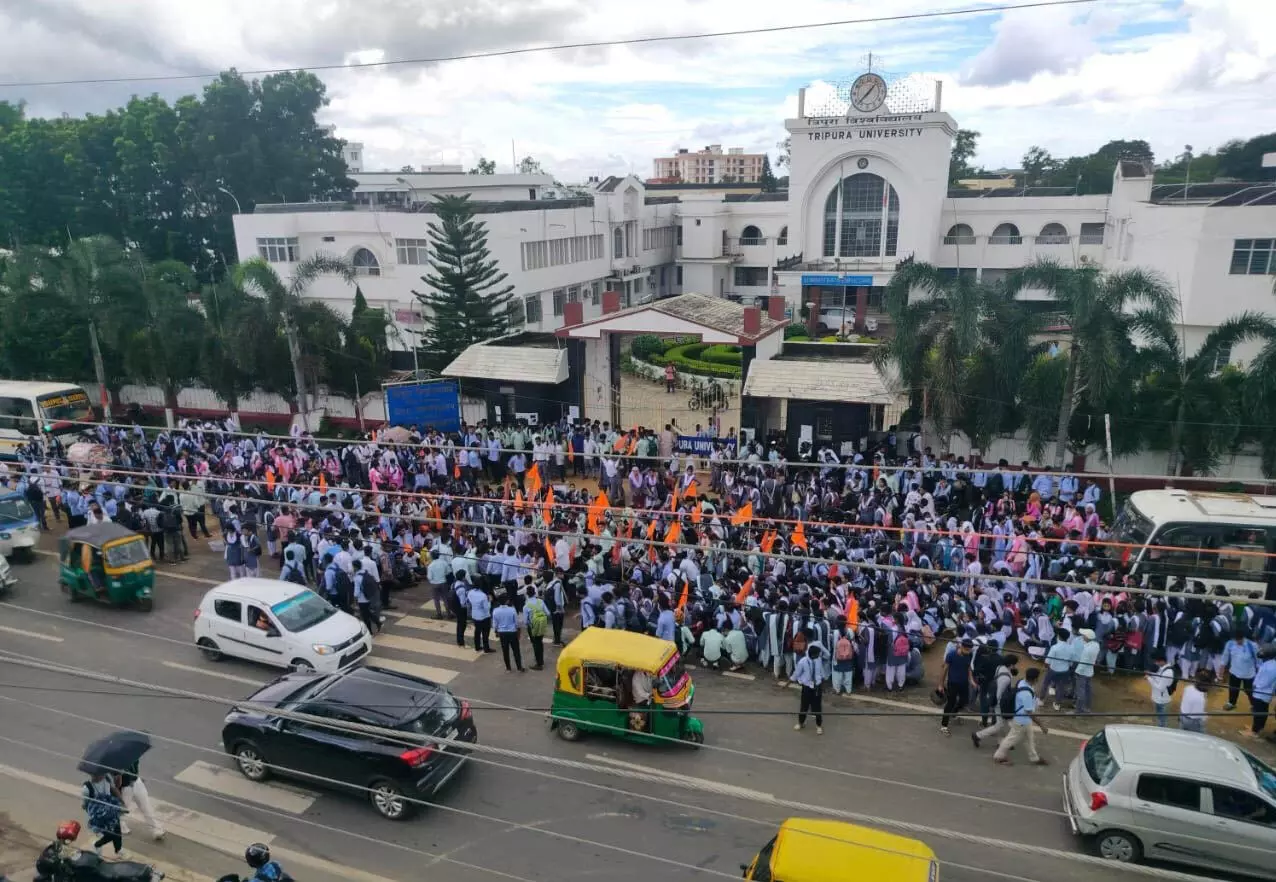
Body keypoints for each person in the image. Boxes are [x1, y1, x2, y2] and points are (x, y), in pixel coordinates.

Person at [992, 667, 1049, 766]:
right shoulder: (1026, 694)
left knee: (1029, 739)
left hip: (1024, 720)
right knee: (1011, 739)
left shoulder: (1022, 682)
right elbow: (1029, 712)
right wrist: (1041, 725)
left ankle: (1034, 758)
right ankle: (999, 756)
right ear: (1035, 679)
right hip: (1022, 721)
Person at [971, 654, 1018, 748]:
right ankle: (979, 736)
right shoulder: (1005, 678)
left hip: (997, 701)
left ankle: (1000, 741)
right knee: (1002, 724)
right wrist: (1001, 706)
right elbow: (999, 694)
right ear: (1011, 664)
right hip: (1000, 703)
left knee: (1001, 724)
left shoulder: (1000, 667)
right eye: (1014, 664)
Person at [80, 772, 125, 858]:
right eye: (100, 774)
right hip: (100, 817)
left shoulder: (107, 778)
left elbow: (113, 789)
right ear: (93, 774)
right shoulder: (87, 788)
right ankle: (97, 844)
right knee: (110, 834)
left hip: (111, 811)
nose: (102, 776)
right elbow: (84, 805)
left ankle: (118, 849)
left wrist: (121, 801)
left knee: (117, 830)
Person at [117, 759, 164, 840]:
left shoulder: (134, 753)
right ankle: (120, 825)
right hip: (126, 786)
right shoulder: (117, 758)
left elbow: (135, 767)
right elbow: (117, 777)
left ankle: (156, 829)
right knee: (123, 808)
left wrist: (135, 777)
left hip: (136, 782)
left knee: (145, 805)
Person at [939, 637, 974, 735]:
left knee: (964, 701)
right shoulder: (951, 655)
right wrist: (940, 684)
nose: (968, 652)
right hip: (953, 683)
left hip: (964, 683)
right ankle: (944, 725)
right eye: (966, 650)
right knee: (950, 703)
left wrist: (971, 680)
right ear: (961, 646)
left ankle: (954, 713)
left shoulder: (969, 654)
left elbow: (968, 667)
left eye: (969, 650)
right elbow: (944, 670)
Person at [1219, 627, 1260, 711]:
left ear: (1243, 637)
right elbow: (1224, 658)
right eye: (1236, 640)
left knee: (1249, 691)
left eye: (1239, 640)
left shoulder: (1252, 646)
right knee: (1233, 689)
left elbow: (1258, 661)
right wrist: (1221, 672)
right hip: (1234, 672)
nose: (1237, 642)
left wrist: (1259, 675)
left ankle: (1254, 705)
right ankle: (1232, 703)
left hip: (1248, 674)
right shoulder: (1230, 644)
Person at [792, 643, 825, 735]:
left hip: (817, 687)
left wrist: (822, 680)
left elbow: (821, 671)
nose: (819, 655)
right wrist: (789, 681)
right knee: (804, 706)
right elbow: (797, 673)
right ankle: (801, 723)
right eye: (818, 654)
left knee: (817, 707)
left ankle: (819, 726)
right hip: (807, 687)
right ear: (813, 654)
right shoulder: (803, 662)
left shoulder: (818, 660)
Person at [1248, 647, 1276, 740]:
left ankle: (1254, 732)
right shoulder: (1270, 664)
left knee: (1258, 712)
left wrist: (1255, 686)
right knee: (1262, 711)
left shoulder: (1271, 668)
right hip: (1263, 693)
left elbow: (1264, 682)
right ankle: (1259, 728)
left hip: (1261, 693)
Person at [492, 593, 525, 672]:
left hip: (502, 633)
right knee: (516, 650)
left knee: (505, 651)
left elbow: (495, 624)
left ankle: (508, 668)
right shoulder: (512, 610)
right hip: (512, 632)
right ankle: (519, 667)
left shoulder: (495, 611)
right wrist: (518, 631)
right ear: (507, 601)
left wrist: (496, 631)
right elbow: (516, 623)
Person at [1146, 650, 1177, 728]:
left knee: (1162, 724)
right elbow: (1158, 678)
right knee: (1159, 721)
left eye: (1156, 661)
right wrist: (1151, 674)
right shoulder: (1162, 668)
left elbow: (1160, 687)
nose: (1155, 663)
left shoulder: (1168, 672)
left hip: (1162, 702)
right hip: (1158, 699)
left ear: (1162, 661)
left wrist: (1149, 678)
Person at [1073, 628, 1100, 715]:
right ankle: (1087, 708)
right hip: (1089, 672)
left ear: (1087, 638)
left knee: (1080, 692)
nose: (1082, 637)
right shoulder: (1096, 645)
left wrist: (1077, 672)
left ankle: (1078, 711)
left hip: (1082, 673)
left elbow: (1082, 664)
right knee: (1088, 690)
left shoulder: (1087, 650)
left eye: (1084, 636)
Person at [523, 586, 549, 670]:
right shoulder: (540, 601)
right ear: (535, 593)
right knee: (540, 642)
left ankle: (539, 663)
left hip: (533, 627)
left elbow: (525, 622)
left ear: (527, 594)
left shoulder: (526, 606)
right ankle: (541, 660)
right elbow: (548, 613)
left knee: (535, 644)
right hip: (542, 625)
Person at [467, 582, 493, 653]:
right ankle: (486, 648)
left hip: (475, 615)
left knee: (477, 631)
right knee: (485, 633)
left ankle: (477, 647)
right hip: (484, 616)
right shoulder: (483, 595)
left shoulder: (470, 592)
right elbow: (486, 608)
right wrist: (489, 601)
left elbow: (469, 601)